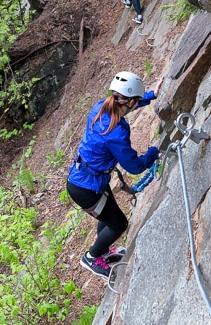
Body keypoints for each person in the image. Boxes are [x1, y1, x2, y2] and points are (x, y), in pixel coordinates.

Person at [67, 71, 164, 280]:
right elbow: (135, 166)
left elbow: (125, 103)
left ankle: (102, 251)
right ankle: (92, 257)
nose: (135, 103)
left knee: (108, 214)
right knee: (119, 224)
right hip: (86, 188)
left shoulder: (101, 106)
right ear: (128, 101)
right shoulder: (116, 134)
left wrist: (149, 95)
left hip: (86, 178)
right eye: (135, 100)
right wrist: (153, 151)